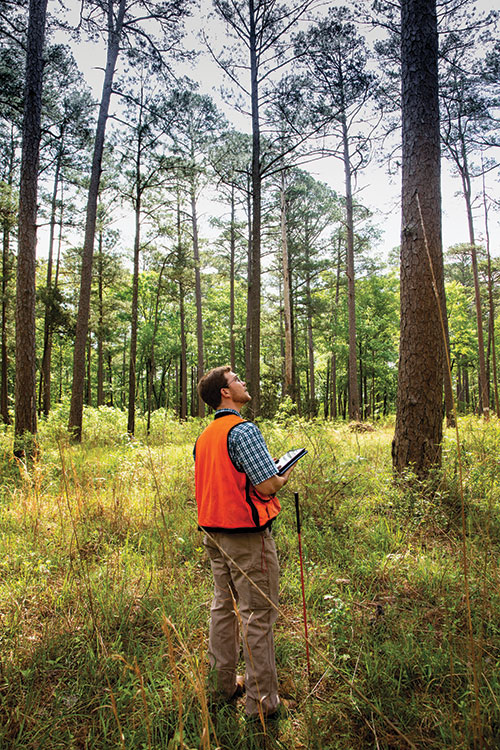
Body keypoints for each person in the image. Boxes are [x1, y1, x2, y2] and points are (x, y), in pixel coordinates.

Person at [194, 366, 294, 720]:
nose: (242, 382)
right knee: (258, 615)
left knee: (223, 606)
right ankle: (263, 703)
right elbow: (266, 485)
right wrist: (282, 474)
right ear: (225, 393)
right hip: (246, 538)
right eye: (236, 379)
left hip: (213, 533)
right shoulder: (242, 429)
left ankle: (222, 686)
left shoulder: (205, 437)